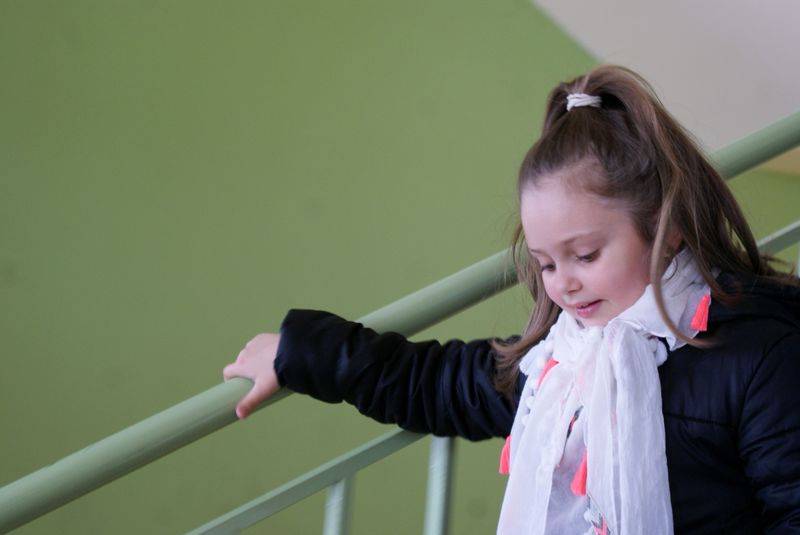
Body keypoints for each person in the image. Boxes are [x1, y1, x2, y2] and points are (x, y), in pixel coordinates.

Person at [223, 65, 800, 534]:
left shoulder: (758, 356)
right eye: (546, 263)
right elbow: (431, 381)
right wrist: (301, 352)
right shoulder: (559, 367)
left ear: (667, 230)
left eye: (585, 255)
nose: (563, 283)